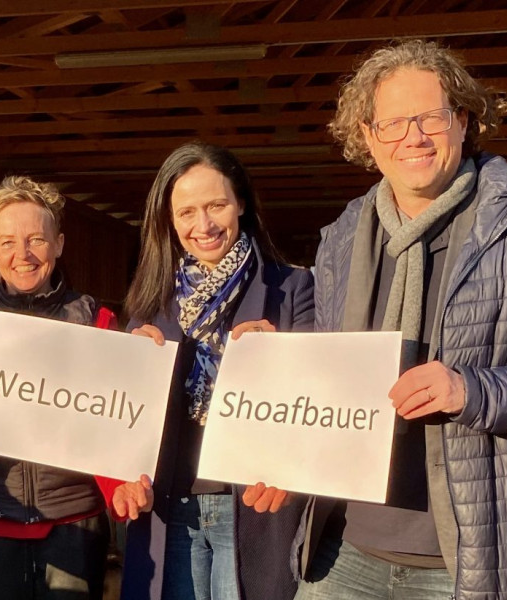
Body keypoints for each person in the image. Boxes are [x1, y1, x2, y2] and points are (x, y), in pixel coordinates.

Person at [290, 39, 507, 600]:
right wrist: (276, 361)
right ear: (368, 136)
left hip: (474, 559)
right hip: (343, 551)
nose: (413, 137)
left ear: (464, 121)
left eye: (431, 118)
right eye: (392, 123)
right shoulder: (344, 236)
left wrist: (471, 390)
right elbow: (331, 369)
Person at [114, 142, 314, 600]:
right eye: (186, 212)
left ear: (240, 203)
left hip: (251, 508)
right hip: (170, 505)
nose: (202, 225)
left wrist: (281, 359)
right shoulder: (150, 301)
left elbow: (316, 405)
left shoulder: (293, 289)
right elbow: (123, 419)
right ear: (169, 220)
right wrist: (129, 370)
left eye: (216, 206)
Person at [0, 175, 120, 600]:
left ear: (58, 244)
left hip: (73, 523)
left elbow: (117, 426)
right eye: (7, 242)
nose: (22, 254)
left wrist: (122, 494)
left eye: (36, 239)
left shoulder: (96, 320)